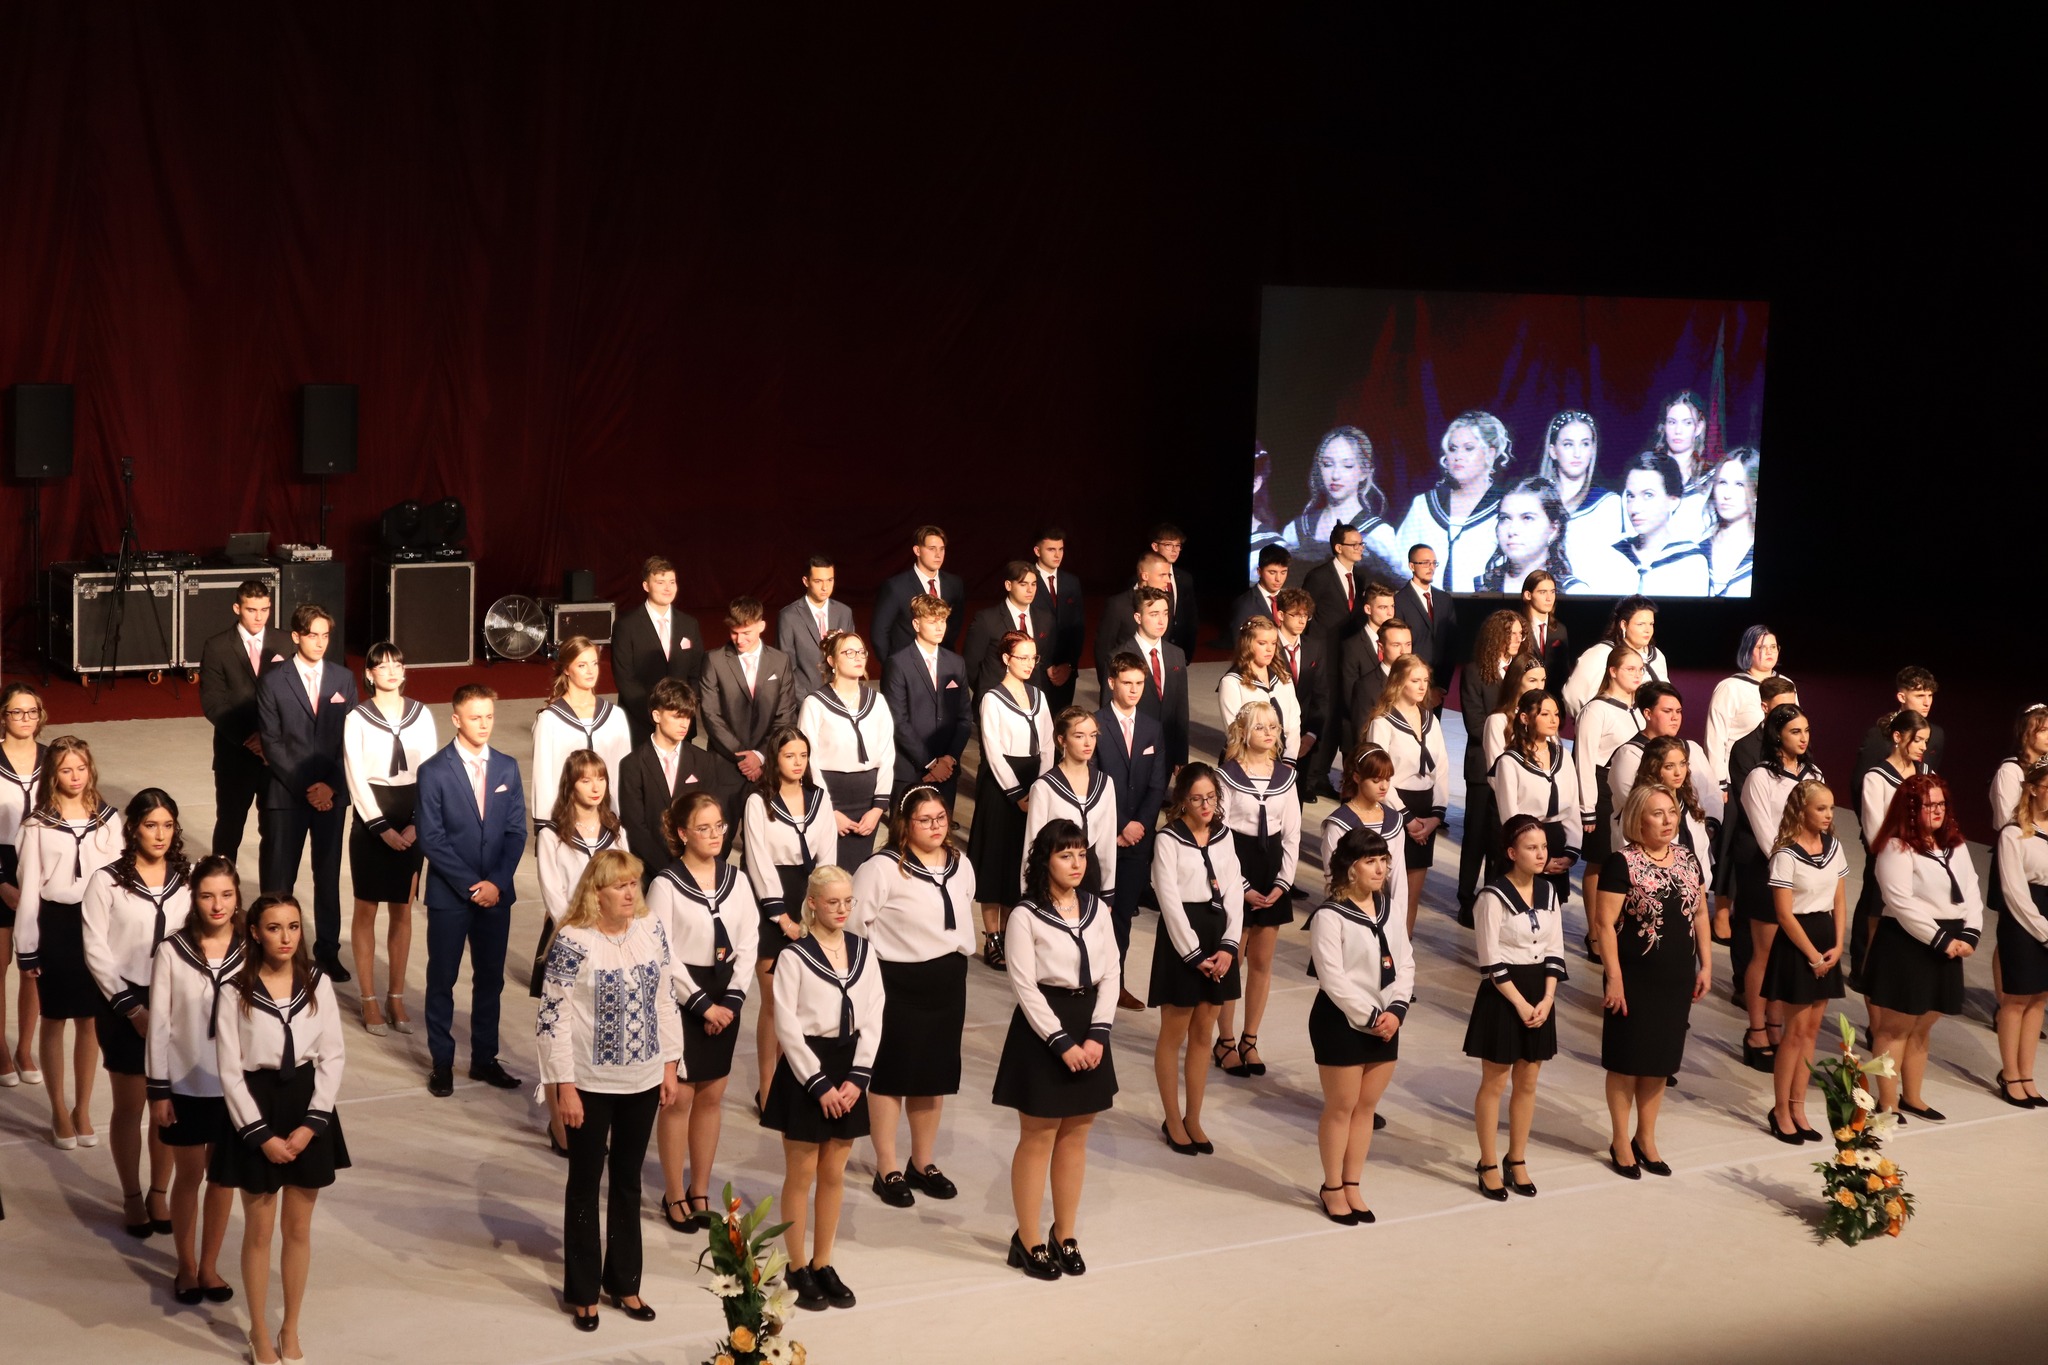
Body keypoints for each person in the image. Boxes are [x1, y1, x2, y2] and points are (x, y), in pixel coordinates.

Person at [537, 847, 682, 1332]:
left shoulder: (650, 929)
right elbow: (552, 1018)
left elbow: (665, 998)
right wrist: (565, 1087)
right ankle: (583, 1292)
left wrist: (669, 1065)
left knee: (628, 1180)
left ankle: (624, 1282)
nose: (630, 892)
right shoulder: (573, 941)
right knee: (584, 1184)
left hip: (643, 1080)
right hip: (590, 1085)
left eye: (634, 883)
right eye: (619, 885)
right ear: (595, 893)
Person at [209, 893, 349, 1365]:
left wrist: (313, 1124)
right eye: (274, 928)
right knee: (259, 1232)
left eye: (293, 926)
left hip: (307, 1105)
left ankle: (291, 1327)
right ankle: (259, 1331)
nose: (286, 937)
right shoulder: (235, 990)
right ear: (254, 933)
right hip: (257, 1107)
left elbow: (332, 1054)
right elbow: (229, 1070)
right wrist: (260, 1136)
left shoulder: (317, 982)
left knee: (299, 1230)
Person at [993, 821, 1121, 1280]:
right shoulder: (1025, 915)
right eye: (1066, 855)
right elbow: (1024, 985)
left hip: (1090, 1024)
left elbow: (1112, 971)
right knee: (1039, 1136)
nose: (1076, 863)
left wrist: (1098, 1034)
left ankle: (1063, 1233)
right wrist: (1062, 1043)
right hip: (1043, 1030)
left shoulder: (1096, 908)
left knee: (1076, 1135)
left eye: (1081, 854)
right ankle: (1028, 1238)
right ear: (1044, 861)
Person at [762, 865, 884, 1312]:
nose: (843, 909)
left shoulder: (864, 951)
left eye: (848, 901)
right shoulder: (794, 957)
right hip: (806, 1071)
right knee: (802, 1173)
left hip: (848, 1066)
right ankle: (797, 1266)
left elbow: (875, 1012)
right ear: (812, 903)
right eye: (833, 902)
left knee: (834, 1174)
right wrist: (818, 1084)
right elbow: (787, 1025)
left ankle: (823, 1261)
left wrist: (858, 1077)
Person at [852, 788, 978, 1209]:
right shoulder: (882, 868)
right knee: (891, 1074)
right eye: (925, 820)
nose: (936, 826)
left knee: (932, 1075)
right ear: (905, 825)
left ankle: (922, 1162)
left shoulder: (960, 863)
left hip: (948, 984)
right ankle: (886, 1165)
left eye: (941, 817)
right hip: (898, 984)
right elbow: (856, 925)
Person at [83, 788, 192, 1239]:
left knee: (166, 1107)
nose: (160, 834)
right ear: (133, 828)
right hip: (123, 1001)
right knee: (130, 1106)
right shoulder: (106, 881)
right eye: (151, 825)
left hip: (178, 1003)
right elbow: (96, 950)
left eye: (167, 825)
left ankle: (158, 1193)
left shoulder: (188, 879)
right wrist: (132, 1009)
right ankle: (131, 1195)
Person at [648, 792, 758, 1232]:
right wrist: (701, 1005)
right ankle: (674, 1191)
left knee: (712, 1097)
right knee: (680, 1099)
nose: (715, 835)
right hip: (683, 1000)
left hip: (725, 996)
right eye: (704, 828)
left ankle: (700, 1189)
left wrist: (731, 1000)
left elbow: (748, 941)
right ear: (682, 833)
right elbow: (663, 953)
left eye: (719, 826)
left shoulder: (738, 880)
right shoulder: (666, 884)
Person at [414, 684, 528, 1098]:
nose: (484, 724)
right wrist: (471, 886)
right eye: (475, 717)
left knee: (490, 979)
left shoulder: (507, 768)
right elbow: (431, 838)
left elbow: (516, 832)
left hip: (496, 895)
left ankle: (484, 1058)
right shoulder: (433, 771)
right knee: (442, 979)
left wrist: (496, 882)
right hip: (450, 896)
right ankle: (442, 1063)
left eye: (489, 716)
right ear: (456, 719)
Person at [1593, 787, 1712, 1179]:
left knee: (1660, 1063)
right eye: (1657, 814)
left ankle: (1646, 1137)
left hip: (1676, 979)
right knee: (1627, 1062)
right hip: (1633, 979)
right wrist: (1613, 978)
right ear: (1638, 820)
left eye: (1671, 812)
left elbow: (1700, 914)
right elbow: (1604, 925)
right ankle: (1620, 1140)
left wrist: (1706, 965)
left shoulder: (1687, 858)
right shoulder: (1621, 863)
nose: (1667, 820)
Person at [13, 735, 123, 1148]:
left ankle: (83, 1108)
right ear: (52, 775)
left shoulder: (109, 820)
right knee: (55, 1017)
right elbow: (29, 890)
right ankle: (59, 1107)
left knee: (90, 1020)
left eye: (81, 768)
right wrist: (27, 947)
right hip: (56, 925)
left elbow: (120, 883)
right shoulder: (38, 825)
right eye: (66, 770)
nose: (75, 777)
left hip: (97, 925)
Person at [146, 855, 243, 1305]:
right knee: (189, 1176)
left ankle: (209, 1266)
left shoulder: (252, 951)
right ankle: (185, 1265)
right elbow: (159, 1025)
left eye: (226, 895)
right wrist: (158, 1089)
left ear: (237, 897)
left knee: (222, 1180)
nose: (217, 905)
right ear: (194, 898)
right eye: (207, 896)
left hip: (234, 1088)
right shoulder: (172, 951)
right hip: (185, 1084)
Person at [1307, 827, 1410, 1223]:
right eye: (1371, 861)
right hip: (1342, 1022)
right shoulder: (1329, 916)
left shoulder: (1391, 908)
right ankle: (1332, 1186)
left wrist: (1396, 1011)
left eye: (1383, 860)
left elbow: (1405, 961)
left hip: (1387, 1021)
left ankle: (1352, 1184)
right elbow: (1332, 979)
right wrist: (1369, 1018)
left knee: (1366, 1108)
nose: (1380, 868)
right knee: (1342, 1107)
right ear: (1351, 868)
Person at [1864, 774, 1982, 1121]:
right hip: (1908, 943)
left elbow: (1972, 889)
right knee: (1895, 1027)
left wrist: (1971, 933)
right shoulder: (1896, 847)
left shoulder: (1955, 845)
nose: (1937, 811)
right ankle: (1887, 1102)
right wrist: (1941, 940)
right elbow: (1900, 902)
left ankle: (1913, 1097)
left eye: (1941, 804)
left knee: (1922, 1025)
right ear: (1911, 808)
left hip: (1950, 940)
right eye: (1929, 805)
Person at [532, 750, 629, 1154]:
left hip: (611, 943)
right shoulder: (552, 836)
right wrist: (581, 934)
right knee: (562, 1036)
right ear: (570, 786)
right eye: (586, 779)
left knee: (598, 1032)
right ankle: (559, 1128)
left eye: (600, 779)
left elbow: (625, 881)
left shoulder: (616, 832)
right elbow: (554, 896)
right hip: (569, 943)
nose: (595, 787)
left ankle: (595, 1118)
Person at [1466, 816, 1566, 1200]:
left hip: (1540, 994)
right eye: (1531, 847)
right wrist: (1522, 1004)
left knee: (1528, 1082)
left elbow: (1555, 949)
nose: (1541, 854)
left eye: (1544, 847)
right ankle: (1488, 1162)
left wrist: (1548, 999)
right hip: (1504, 995)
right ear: (1511, 852)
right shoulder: (1492, 898)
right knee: (1494, 1083)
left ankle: (1517, 1158)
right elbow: (1491, 961)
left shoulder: (1549, 891)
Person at [256, 603, 357, 980]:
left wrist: (330, 786)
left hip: (332, 796)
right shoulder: (273, 681)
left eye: (325, 635)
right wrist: (307, 788)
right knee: (279, 879)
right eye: (313, 635)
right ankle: (271, 953)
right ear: (296, 636)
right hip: (286, 795)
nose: (320, 642)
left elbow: (352, 740)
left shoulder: (343, 679)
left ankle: (327, 953)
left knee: (327, 878)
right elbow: (272, 743)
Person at [341, 641, 436, 1037]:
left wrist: (418, 823)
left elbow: (430, 771)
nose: (392, 671)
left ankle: (396, 997)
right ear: (369, 674)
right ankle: (368, 998)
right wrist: (380, 827)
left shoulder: (422, 715)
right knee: (366, 909)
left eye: (398, 664)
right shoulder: (357, 718)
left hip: (412, 814)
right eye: (382, 666)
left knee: (402, 908)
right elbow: (354, 774)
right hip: (372, 817)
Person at [1148, 763, 1242, 1157]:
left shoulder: (1224, 835)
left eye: (1211, 798)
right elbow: (1168, 900)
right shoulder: (1168, 839)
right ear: (1183, 801)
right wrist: (1194, 953)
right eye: (1197, 799)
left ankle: (1194, 1117)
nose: (1206, 805)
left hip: (1218, 938)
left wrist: (1230, 945)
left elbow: (1234, 888)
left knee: (1205, 1032)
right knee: (1174, 1033)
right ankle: (1172, 1118)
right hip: (1182, 940)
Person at [742, 726, 834, 1112]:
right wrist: (781, 918)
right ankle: (767, 1089)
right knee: (774, 1003)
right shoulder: (758, 802)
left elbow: (828, 854)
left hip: (809, 897)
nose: (798, 763)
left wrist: (819, 910)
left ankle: (792, 1084)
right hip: (771, 901)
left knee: (800, 1006)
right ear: (775, 759)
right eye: (789, 756)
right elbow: (757, 860)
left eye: (803, 756)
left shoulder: (819, 798)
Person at [1212, 702, 1301, 1080]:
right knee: (1233, 960)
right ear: (1243, 731)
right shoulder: (1227, 775)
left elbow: (1292, 834)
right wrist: (1241, 886)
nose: (1269, 733)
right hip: (1238, 867)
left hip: (1271, 870)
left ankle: (1250, 1040)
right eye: (1261, 727)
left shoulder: (1286, 776)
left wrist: (1283, 882)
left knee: (1262, 962)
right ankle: (1225, 1041)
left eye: (1274, 727)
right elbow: (1218, 834)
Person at [1760, 781, 1849, 1141]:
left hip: (1826, 940)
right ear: (1802, 810)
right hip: (1799, 945)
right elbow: (1784, 914)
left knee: (1812, 1032)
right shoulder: (1786, 855)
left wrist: (1838, 945)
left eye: (1831, 808)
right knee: (1794, 1033)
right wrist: (1812, 956)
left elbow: (1839, 900)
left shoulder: (1834, 847)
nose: (1828, 815)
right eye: (1820, 808)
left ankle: (1799, 1106)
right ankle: (1780, 1109)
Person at [1738, 704, 1823, 1070]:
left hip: (1805, 877)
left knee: (1785, 958)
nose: (1803, 738)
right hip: (1769, 873)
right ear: (1777, 735)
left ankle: (1776, 1026)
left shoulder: (1814, 774)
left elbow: (1822, 822)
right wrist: (1793, 865)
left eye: (1806, 731)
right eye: (1795, 731)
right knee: (1765, 954)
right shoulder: (1760, 777)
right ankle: (1756, 1031)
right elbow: (1765, 834)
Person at [967, 631, 1054, 970]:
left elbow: (1048, 745)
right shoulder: (992, 698)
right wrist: (1017, 793)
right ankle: (992, 938)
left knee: (1020, 861)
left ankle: (1011, 934)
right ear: (1006, 659)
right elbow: (992, 750)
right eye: (1023, 657)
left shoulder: (1039, 696)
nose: (1030, 664)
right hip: (1002, 789)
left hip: (1034, 782)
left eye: (1034, 658)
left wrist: (1041, 787)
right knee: (995, 862)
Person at [197, 580, 290, 868]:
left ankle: (274, 892)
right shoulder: (216, 646)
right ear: (237, 608)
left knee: (276, 831)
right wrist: (250, 739)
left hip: (275, 758)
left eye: (265, 609)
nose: (259, 617)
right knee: (229, 826)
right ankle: (221, 887)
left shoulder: (286, 642)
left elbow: (294, 696)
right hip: (235, 756)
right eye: (252, 610)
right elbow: (213, 703)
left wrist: (271, 740)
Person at [617, 679, 742, 887]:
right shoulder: (632, 765)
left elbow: (715, 816)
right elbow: (635, 827)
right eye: (677, 716)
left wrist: (700, 865)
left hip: (698, 871)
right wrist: (670, 872)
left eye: (688, 716)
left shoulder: (703, 761)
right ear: (656, 715)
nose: (685, 724)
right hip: (651, 874)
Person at [1716, 676, 1799, 987]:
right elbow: (1752, 807)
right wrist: (1779, 850)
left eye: (1793, 706)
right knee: (1749, 920)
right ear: (1765, 708)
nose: (1789, 714)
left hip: (1790, 847)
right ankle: (1743, 982)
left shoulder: (1798, 744)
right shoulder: (1745, 748)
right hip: (1755, 847)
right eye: (1782, 707)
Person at [1095, 653, 1167, 1000]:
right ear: (1112, 683)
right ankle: (1089, 980)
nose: (1135, 689)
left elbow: (1157, 785)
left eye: (1139, 683)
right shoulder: (1095, 724)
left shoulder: (1153, 727)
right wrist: (1123, 825)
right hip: (1103, 836)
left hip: (1138, 839)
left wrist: (1139, 826)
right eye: (1127, 683)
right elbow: (1094, 782)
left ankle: (1116, 983)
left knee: (1124, 915)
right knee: (1096, 913)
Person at [798, 630, 895, 874]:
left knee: (860, 875)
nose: (858, 657)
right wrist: (828, 810)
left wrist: (878, 808)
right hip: (831, 798)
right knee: (828, 876)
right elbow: (809, 760)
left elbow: (887, 755)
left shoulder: (878, 701)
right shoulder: (815, 703)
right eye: (849, 652)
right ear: (832, 660)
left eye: (861, 652)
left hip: (867, 801)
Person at [1365, 656, 1448, 933]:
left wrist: (1436, 816)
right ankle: (1380, 944)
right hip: (1393, 808)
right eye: (1415, 680)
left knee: (1412, 894)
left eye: (1425, 680)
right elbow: (1379, 776)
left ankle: (1403, 947)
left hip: (1426, 809)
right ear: (1399, 682)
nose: (1423, 686)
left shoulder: (1431, 721)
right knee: (1386, 888)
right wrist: (1407, 818)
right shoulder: (1383, 722)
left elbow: (1442, 769)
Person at [1851, 710, 1930, 995]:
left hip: (1919, 864)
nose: (1923, 747)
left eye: (1925, 741)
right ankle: (1869, 981)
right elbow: (1875, 831)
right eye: (1917, 740)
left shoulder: (1926, 774)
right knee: (1877, 924)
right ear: (1898, 737)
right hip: (1886, 863)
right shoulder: (1877, 777)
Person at [1574, 647, 1645, 956]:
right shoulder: (1596, 710)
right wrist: (1587, 808)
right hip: (1602, 788)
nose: (1637, 675)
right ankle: (1594, 934)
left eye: (1640, 669)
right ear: (1613, 671)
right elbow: (1584, 760)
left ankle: (1618, 929)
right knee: (1600, 860)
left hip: (1632, 789)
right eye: (1630, 669)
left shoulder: (1638, 709)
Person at [1457, 611, 1527, 919]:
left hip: (1518, 767)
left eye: (1520, 634)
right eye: (1511, 634)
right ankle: (1466, 900)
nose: (1517, 639)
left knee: (1502, 837)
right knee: (1475, 837)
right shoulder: (1475, 672)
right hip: (1482, 768)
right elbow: (1475, 725)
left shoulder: (1523, 670)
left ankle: (1494, 896)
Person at [1396, 410, 1510, 591]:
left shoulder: (1507, 508)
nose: (1458, 456)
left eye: (1468, 448)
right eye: (1452, 448)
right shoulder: (1424, 505)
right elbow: (1400, 567)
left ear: (1490, 453)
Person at [1487, 689, 1582, 905]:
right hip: (1525, 844)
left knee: (1552, 908)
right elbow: (1510, 817)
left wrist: (1571, 851)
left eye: (1556, 714)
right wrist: (1537, 857)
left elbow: (1572, 806)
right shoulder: (1509, 761)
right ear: (1524, 718)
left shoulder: (1563, 755)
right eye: (1545, 714)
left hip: (1555, 842)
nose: (1553, 720)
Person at [1606, 682, 1723, 856]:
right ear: (1648, 713)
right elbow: (1635, 801)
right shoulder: (1630, 753)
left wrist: (1710, 826)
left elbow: (1710, 793)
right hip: (1647, 849)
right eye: (1667, 711)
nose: (1675, 717)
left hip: (1693, 846)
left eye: (1678, 711)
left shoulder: (1691, 748)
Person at [700, 596, 803, 791]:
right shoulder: (713, 660)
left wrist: (760, 755)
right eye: (734, 632)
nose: (739, 640)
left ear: (761, 626)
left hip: (767, 766)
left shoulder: (780, 661)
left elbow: (785, 715)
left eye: (746, 633)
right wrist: (743, 757)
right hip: (725, 766)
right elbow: (710, 714)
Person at [881, 594, 973, 813]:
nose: (940, 627)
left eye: (943, 620)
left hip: (947, 771)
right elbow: (898, 721)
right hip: (911, 770)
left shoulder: (956, 663)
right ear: (916, 624)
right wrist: (931, 763)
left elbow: (964, 718)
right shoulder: (898, 663)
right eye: (932, 621)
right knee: (905, 831)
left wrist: (949, 759)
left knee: (941, 829)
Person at [0, 682, 49, 1087]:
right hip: (1, 865)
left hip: (40, 864)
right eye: (17, 712)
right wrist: (1, 881)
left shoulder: (53, 759)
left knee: (33, 967)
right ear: (3, 716)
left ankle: (25, 1049)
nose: (25, 719)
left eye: (31, 711)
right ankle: (0, 1048)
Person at [1019, 708, 1120, 899]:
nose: (1088, 743)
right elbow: (1032, 846)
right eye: (1079, 736)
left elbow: (1107, 844)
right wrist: (1029, 896)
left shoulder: (1105, 784)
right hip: (1054, 880)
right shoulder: (1044, 787)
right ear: (1062, 740)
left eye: (1093, 735)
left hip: (1091, 878)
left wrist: (1107, 894)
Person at [1993, 759, 2048, 1107]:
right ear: (2032, 789)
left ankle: (2027, 1074)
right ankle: (2010, 1073)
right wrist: (2044, 931)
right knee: (2016, 999)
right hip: (2023, 921)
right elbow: (2014, 891)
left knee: (2039, 998)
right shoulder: (2014, 833)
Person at [530, 635, 632, 821]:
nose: (591, 671)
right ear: (566, 669)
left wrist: (620, 820)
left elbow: (622, 774)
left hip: (606, 820)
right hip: (565, 821)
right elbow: (542, 778)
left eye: (594, 664)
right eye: (582, 665)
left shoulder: (615, 717)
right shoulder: (550, 720)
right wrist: (545, 826)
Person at [610, 555, 706, 750]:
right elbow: (625, 679)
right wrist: (657, 716)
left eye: (672, 582)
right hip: (640, 725)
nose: (668, 588)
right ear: (646, 586)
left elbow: (696, 674)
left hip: (681, 724)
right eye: (660, 582)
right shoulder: (626, 625)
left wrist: (681, 712)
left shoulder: (689, 624)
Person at [1282, 425, 1403, 574]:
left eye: (1347, 466)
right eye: (1328, 464)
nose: (1335, 475)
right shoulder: (1297, 530)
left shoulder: (1378, 534)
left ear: (1364, 472)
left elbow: (1394, 584)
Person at [1098, 586, 1190, 770]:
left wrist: (1181, 755)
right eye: (1154, 614)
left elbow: (1181, 707)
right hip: (1131, 751)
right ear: (1138, 617)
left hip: (1166, 751)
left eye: (1165, 613)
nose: (1162, 620)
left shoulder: (1176, 654)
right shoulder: (1118, 656)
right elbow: (1108, 710)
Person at [1322, 742, 1409, 918]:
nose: (1384, 787)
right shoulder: (1339, 824)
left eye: (1387, 779)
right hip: (1349, 914)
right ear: (1357, 777)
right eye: (1376, 780)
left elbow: (1398, 878)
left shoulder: (1394, 820)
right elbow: (1334, 879)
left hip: (1385, 912)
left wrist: (1399, 921)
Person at [1611, 452, 1709, 595]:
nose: (1634, 508)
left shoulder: (1691, 562)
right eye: (1630, 496)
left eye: (1648, 495)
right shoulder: (1612, 555)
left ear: (1673, 501)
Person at [1539, 410, 1624, 574]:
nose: (1577, 453)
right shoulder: (1532, 500)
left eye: (1584, 444)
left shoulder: (1607, 504)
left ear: (1592, 449)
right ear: (1553, 451)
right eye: (1568, 444)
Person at [1628, 736, 1719, 889]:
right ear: (1654, 767)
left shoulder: (1690, 802)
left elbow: (1701, 852)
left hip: (1696, 890)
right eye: (1669, 766)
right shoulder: (1641, 806)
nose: (1678, 772)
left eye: (1683, 764)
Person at [1218, 617, 1306, 770]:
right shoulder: (1232, 682)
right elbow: (1234, 731)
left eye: (1273, 643)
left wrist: (1289, 760)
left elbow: (1293, 723)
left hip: (1283, 762)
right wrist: (1259, 766)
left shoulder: (1284, 679)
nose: (1269, 649)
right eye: (1262, 643)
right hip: (1245, 764)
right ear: (1247, 644)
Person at [1703, 625, 1784, 788]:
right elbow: (1715, 738)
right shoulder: (1731, 687)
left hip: (1778, 774)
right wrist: (1719, 782)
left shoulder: (1786, 685)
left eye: (1773, 647)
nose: (1769, 652)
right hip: (1738, 776)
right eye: (1761, 647)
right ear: (1747, 651)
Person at [1561, 597, 1667, 718]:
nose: (1647, 630)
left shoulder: (1657, 656)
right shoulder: (1602, 653)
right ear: (1624, 625)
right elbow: (1573, 695)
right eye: (1640, 624)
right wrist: (1592, 720)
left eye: (1651, 624)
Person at [1477, 477, 1587, 593]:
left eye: (1527, 518)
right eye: (1505, 518)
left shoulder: (1573, 592)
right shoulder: (1480, 587)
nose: (1512, 530)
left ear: (1553, 529)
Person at [871, 524, 967, 656]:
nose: (938, 555)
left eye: (942, 549)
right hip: (906, 661)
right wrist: (892, 665)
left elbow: (955, 626)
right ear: (917, 550)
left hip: (942, 659)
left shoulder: (954, 584)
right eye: (932, 549)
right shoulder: (895, 587)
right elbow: (879, 633)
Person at [962, 561, 1053, 697]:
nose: (1030, 590)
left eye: (1033, 584)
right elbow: (970, 664)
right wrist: (986, 692)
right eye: (1023, 584)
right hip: (994, 697)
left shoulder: (1045, 618)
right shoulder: (986, 620)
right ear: (1008, 585)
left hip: (1031, 697)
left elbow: (1042, 660)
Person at [1275, 590, 1331, 800]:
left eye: (1305, 615)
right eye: (1295, 614)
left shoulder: (1314, 647)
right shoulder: (1268, 646)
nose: (1301, 621)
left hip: (1303, 738)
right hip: (1272, 736)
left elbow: (1321, 694)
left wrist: (1311, 734)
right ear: (1281, 615)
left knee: (1296, 800)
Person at [775, 554, 856, 699]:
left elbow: (851, 659)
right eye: (818, 581)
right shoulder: (789, 616)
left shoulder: (844, 612)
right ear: (806, 581)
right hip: (805, 700)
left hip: (840, 699)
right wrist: (807, 702)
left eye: (830, 580)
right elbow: (786, 669)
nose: (825, 587)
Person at [1026, 528, 1085, 714]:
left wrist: (1069, 664)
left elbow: (1078, 627)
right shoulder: (1026, 580)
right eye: (1051, 549)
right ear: (1037, 551)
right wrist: (1046, 664)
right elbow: (1024, 627)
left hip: (1065, 671)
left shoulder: (1071, 582)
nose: (1057, 555)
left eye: (1061, 549)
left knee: (1062, 721)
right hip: (1036, 669)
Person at [1094, 552, 1176, 680]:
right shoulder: (1118, 604)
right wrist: (1108, 684)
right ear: (1145, 576)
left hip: (1157, 677)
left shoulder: (1168, 600)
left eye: (1168, 575)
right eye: (1162, 575)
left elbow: (1164, 641)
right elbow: (1103, 648)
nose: (1168, 580)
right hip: (1126, 678)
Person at [1853, 666, 1948, 775]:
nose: (1927, 702)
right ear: (1902, 697)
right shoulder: (1878, 734)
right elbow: (1861, 780)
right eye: (1920, 696)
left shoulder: (1936, 734)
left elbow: (1930, 777)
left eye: (1930, 695)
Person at [1652, 390, 1715, 535]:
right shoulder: (1646, 472)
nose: (1678, 430)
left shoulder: (1711, 479)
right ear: (1664, 426)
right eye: (1672, 422)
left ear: (1698, 427)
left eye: (1687, 423)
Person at [1392, 545, 1457, 677]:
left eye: (1434, 563)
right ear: (1412, 566)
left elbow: (1451, 642)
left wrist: (1445, 680)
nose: (1431, 567)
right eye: (1426, 563)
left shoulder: (1444, 599)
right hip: (1411, 676)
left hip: (1440, 677)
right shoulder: (1399, 601)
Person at [1706, 448, 1758, 597]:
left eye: (1739, 484)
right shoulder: (1699, 547)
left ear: (1755, 491)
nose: (1727, 495)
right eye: (1722, 482)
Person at [1483, 654, 1546, 774]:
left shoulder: (1546, 716)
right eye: (1532, 680)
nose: (1539, 687)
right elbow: (1496, 772)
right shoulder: (1498, 720)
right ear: (1517, 681)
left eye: (1543, 680)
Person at [1149, 523, 1201, 659]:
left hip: (1177, 650)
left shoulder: (1184, 578)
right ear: (1155, 546)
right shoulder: (1143, 578)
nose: (1174, 550)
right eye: (1168, 545)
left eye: (1178, 546)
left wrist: (1187, 654)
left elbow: (1190, 618)